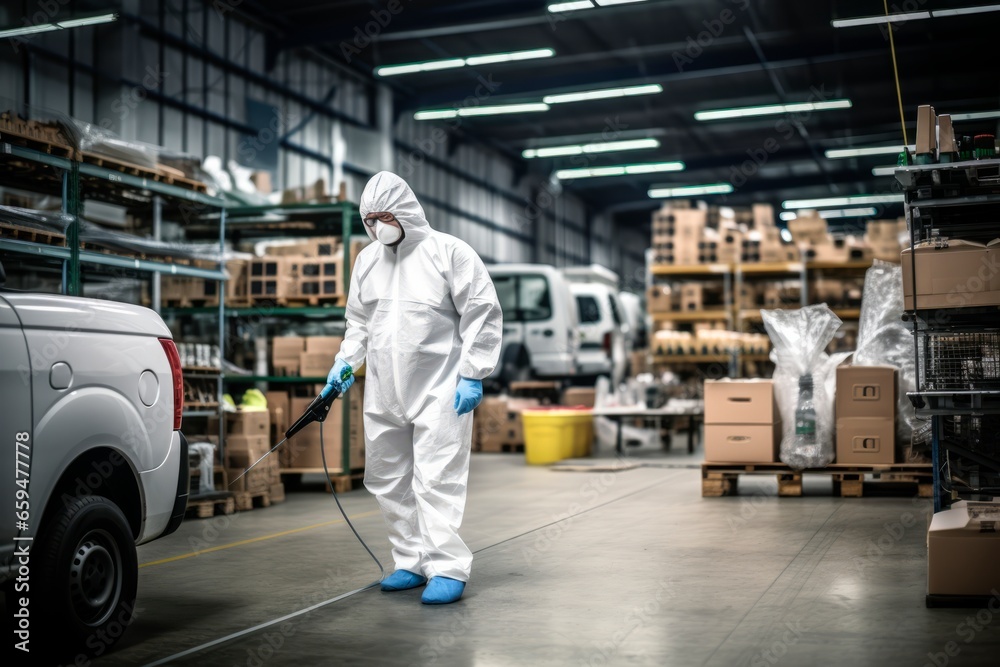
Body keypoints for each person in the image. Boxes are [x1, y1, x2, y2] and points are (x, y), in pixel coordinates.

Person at [323, 171, 503, 605]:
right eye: (368, 220)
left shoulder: (449, 252)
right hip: (385, 390)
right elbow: (359, 322)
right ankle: (409, 560)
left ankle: (447, 567)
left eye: (382, 217)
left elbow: (481, 311)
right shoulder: (367, 261)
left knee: (436, 478)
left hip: (440, 388)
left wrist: (472, 373)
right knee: (387, 478)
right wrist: (345, 363)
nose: (376, 227)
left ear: (404, 211)